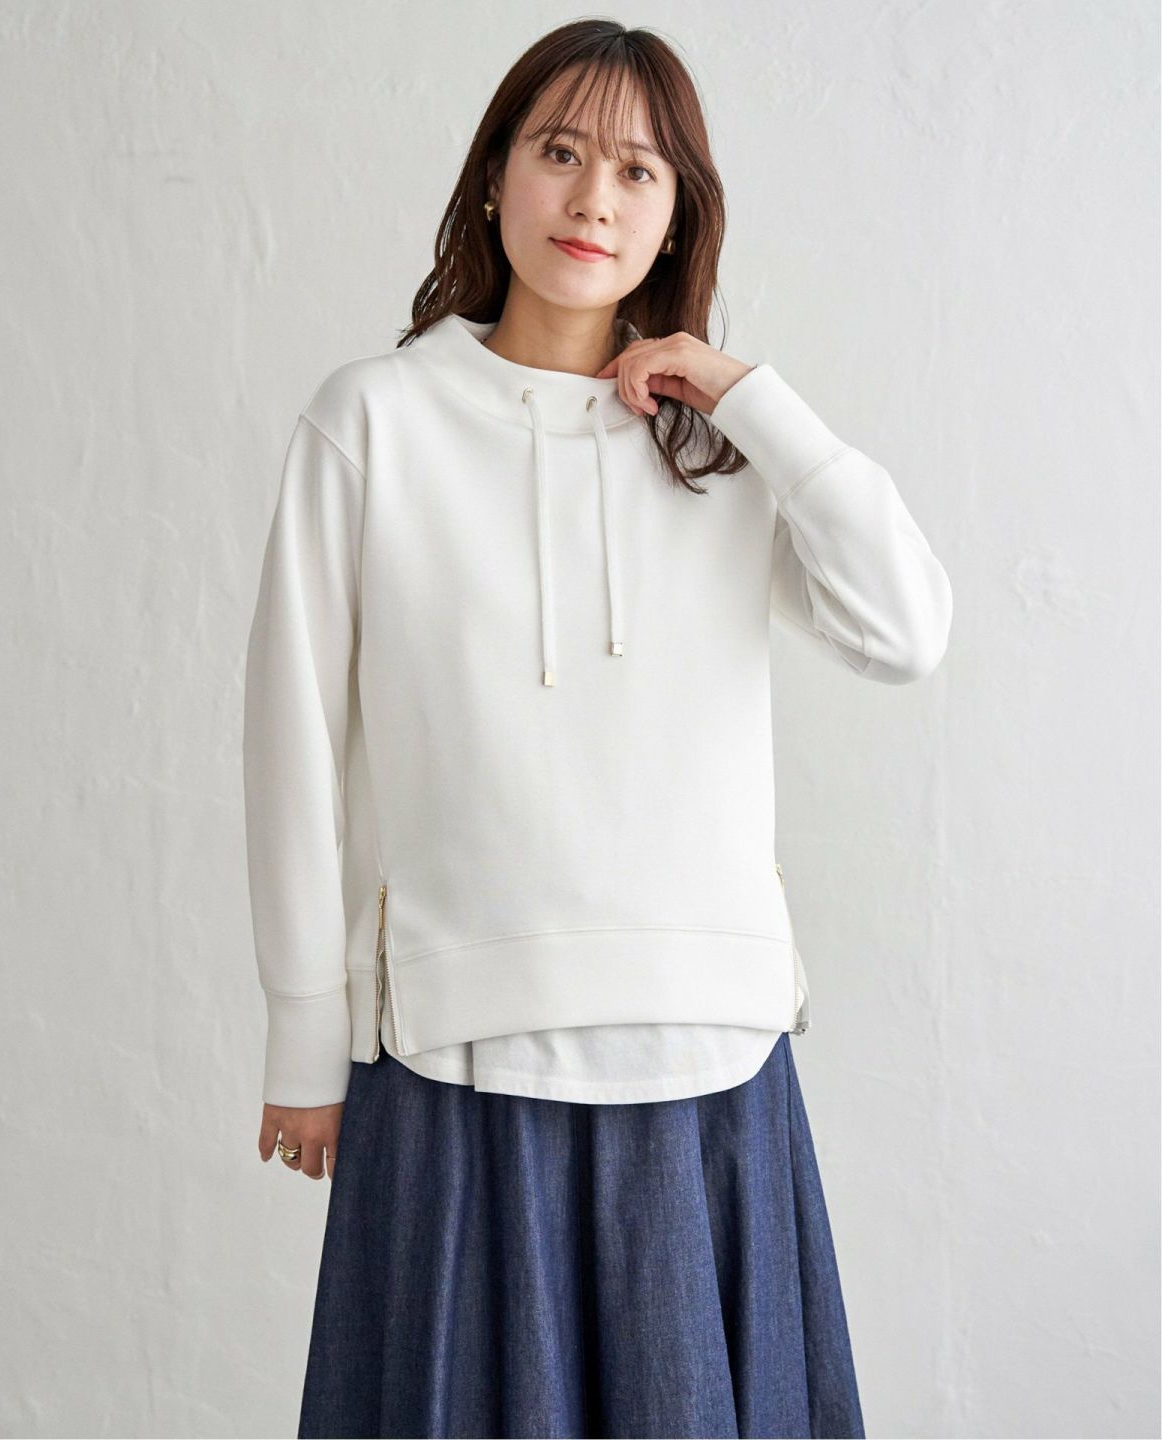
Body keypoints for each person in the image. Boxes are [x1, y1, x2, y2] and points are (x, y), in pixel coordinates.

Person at [242, 19, 951, 1439]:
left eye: (637, 171)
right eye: (560, 153)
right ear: (494, 174)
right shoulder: (372, 421)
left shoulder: (719, 444)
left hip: (710, 1057)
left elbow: (906, 629)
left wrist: (749, 398)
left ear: (677, 213)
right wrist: (305, 1042)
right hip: (458, 1054)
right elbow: (290, 743)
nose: (593, 201)